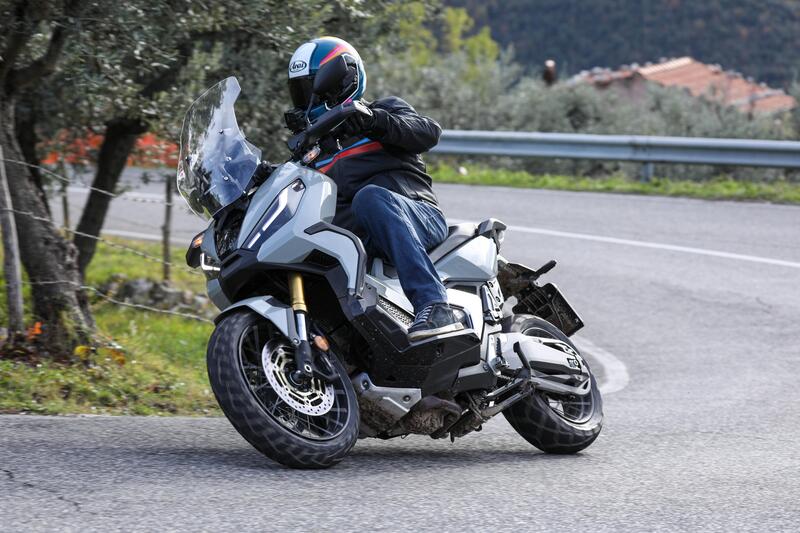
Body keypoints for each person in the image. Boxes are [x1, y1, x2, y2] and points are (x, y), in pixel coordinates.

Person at [285, 36, 463, 341]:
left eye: (311, 88)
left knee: (369, 198)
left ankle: (435, 305)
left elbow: (428, 132)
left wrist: (373, 121)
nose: (306, 100)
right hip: (362, 236)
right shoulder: (313, 153)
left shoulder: (383, 111)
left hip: (417, 216)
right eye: (299, 90)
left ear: (340, 83)